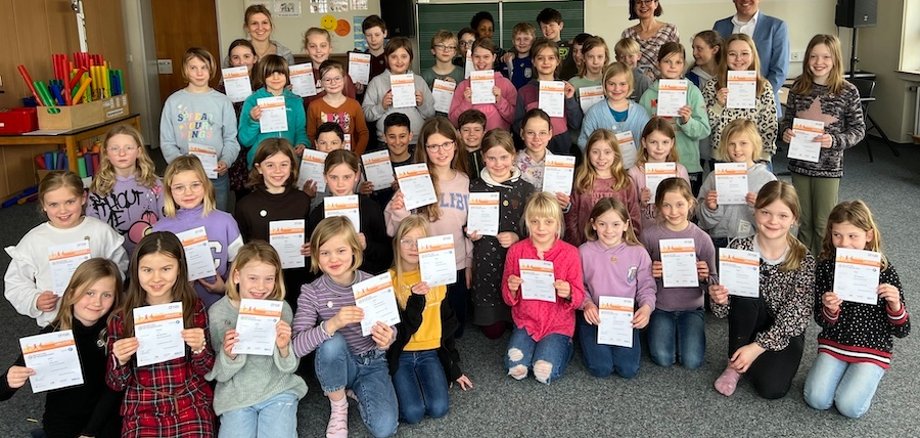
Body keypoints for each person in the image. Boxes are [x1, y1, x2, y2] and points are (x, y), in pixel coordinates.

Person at [291, 217, 398, 438]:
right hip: (337, 362)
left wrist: (388, 338)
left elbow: (392, 327)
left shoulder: (372, 283)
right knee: (332, 341)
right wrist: (332, 324)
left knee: (385, 429)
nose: (333, 258)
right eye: (325, 252)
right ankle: (339, 405)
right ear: (316, 257)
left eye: (341, 250)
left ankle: (354, 389)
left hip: (372, 361)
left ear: (354, 250)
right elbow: (296, 348)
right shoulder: (312, 291)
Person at [803, 200, 910, 419]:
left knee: (849, 407)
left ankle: (870, 373)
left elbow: (903, 330)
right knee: (816, 399)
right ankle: (847, 373)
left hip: (872, 348)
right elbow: (820, 321)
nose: (844, 243)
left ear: (868, 235)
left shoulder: (884, 270)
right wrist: (829, 308)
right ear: (830, 234)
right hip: (836, 342)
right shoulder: (825, 267)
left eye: (853, 236)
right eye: (837, 235)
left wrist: (895, 305)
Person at [709, 181, 815, 399]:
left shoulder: (804, 259)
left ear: (794, 219)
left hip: (783, 329)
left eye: (783, 216)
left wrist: (756, 348)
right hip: (748, 319)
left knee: (771, 389)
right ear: (755, 212)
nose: (773, 221)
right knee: (748, 296)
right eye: (765, 212)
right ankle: (734, 365)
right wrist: (719, 300)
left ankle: (748, 356)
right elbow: (724, 312)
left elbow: (795, 318)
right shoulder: (738, 248)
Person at [106, 232, 215, 437]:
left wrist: (200, 348)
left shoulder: (193, 307)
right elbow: (115, 383)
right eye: (147, 270)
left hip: (188, 401)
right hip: (142, 405)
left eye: (166, 269)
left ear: (179, 269)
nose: (156, 278)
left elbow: (206, 369)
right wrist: (119, 360)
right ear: (136, 271)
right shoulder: (121, 317)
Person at [1, 258, 123, 438]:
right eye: (89, 292)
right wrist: (8, 381)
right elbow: (2, 392)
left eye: (106, 295)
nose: (97, 302)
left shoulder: (115, 334)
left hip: (104, 422)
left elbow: (113, 391)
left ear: (115, 299)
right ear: (72, 293)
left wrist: (89, 432)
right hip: (62, 423)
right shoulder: (51, 335)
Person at [206, 241, 307, 437]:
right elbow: (220, 375)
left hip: (277, 389)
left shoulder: (281, 309)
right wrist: (229, 355)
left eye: (269, 279)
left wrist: (284, 348)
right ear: (237, 276)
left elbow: (290, 367)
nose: (261, 287)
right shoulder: (218, 313)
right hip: (236, 395)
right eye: (252, 278)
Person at [4, 171, 128, 327]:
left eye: (70, 202)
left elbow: (119, 267)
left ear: (83, 198)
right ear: (43, 204)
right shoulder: (34, 240)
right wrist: (35, 299)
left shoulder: (100, 231)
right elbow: (15, 282)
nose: (63, 210)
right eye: (53, 204)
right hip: (56, 319)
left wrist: (106, 292)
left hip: (99, 316)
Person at [385, 117, 472, 337]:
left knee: (456, 329)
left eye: (446, 144)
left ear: (455, 144)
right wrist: (398, 211)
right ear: (424, 149)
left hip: (456, 264)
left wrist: (470, 263)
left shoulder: (465, 181)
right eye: (433, 146)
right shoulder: (414, 182)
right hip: (422, 266)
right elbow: (393, 231)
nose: (441, 152)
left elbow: (471, 229)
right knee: (425, 327)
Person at [781, 34, 865, 256]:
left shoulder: (847, 91)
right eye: (814, 56)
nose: (819, 62)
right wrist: (785, 133)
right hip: (799, 164)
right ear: (807, 59)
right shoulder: (799, 87)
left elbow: (858, 130)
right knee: (803, 222)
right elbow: (787, 121)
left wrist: (835, 140)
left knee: (822, 224)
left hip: (828, 167)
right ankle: (803, 267)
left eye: (826, 57)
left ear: (835, 59)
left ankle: (823, 269)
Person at [387, 215, 472, 424]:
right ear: (396, 244)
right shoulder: (389, 280)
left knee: (439, 408)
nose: (413, 247)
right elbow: (399, 334)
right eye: (406, 240)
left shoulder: (436, 277)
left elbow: (448, 324)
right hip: (402, 353)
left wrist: (453, 367)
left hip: (430, 352)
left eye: (420, 241)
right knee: (413, 413)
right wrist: (416, 301)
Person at [502, 192, 585, 384]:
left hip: (558, 324)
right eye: (535, 221)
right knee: (516, 367)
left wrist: (569, 292)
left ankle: (566, 345)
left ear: (558, 223)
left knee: (543, 371)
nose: (541, 228)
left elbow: (579, 297)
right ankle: (538, 347)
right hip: (526, 321)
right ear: (527, 223)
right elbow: (507, 298)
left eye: (548, 222)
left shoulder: (570, 253)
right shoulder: (516, 251)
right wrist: (512, 287)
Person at [641, 177, 717, 370]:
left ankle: (681, 331)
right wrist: (651, 272)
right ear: (658, 206)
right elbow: (638, 277)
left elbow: (714, 283)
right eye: (666, 205)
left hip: (692, 308)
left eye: (680, 204)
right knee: (663, 358)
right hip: (661, 307)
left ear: (691, 203)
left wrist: (705, 277)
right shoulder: (649, 235)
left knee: (691, 361)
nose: (673, 212)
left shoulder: (702, 239)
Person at [577, 198, 655, 379]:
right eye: (602, 224)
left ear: (626, 225)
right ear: (593, 225)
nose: (609, 230)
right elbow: (578, 286)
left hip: (624, 319)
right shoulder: (583, 252)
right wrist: (587, 304)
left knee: (628, 369)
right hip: (594, 316)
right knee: (601, 368)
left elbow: (647, 286)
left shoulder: (638, 252)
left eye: (615, 224)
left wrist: (646, 308)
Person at [468, 129, 535, 339]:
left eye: (504, 157)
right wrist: (470, 234)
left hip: (516, 260)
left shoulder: (526, 189)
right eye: (491, 158)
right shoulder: (474, 187)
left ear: (513, 155)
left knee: (520, 321)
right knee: (493, 331)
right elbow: (465, 221)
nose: (498, 164)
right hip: (486, 260)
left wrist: (517, 237)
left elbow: (535, 227)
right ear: (483, 157)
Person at [152, 156, 243, 308]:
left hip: (220, 305)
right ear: (169, 191)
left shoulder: (225, 221)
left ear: (206, 186)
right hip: (178, 308)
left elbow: (241, 264)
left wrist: (226, 287)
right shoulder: (160, 229)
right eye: (179, 187)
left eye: (195, 185)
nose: (188, 193)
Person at [234, 138, 312, 311]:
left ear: (292, 167)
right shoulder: (246, 205)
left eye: (284, 164)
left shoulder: (302, 200)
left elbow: (310, 237)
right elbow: (242, 249)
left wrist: (310, 247)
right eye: (270, 165)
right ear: (259, 168)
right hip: (260, 285)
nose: (277, 171)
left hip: (296, 279)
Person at [160, 47, 240, 212]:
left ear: (211, 69)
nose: (199, 72)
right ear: (185, 70)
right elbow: (167, 141)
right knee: (188, 219)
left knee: (218, 216)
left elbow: (231, 139)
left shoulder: (223, 101)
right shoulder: (173, 102)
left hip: (215, 175)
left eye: (204, 67)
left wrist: (226, 160)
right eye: (193, 68)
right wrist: (181, 165)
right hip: (184, 176)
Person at [639, 41, 711, 193]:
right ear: (658, 64)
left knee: (685, 210)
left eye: (678, 62)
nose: (672, 66)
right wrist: (656, 125)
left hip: (687, 164)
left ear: (683, 65)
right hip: (656, 165)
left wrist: (687, 121)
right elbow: (641, 132)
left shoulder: (692, 92)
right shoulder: (649, 95)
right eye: (667, 61)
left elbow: (704, 130)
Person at [308, 150, 392, 276]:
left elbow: (387, 254)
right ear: (325, 177)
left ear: (357, 175)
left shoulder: (371, 208)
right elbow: (313, 267)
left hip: (366, 280)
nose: (340, 184)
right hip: (332, 285)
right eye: (333, 177)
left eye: (347, 177)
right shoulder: (317, 214)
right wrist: (311, 252)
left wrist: (366, 246)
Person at [698, 119, 777, 248]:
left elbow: (774, 222)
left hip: (751, 241)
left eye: (743, 143)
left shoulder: (767, 179)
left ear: (754, 145)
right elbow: (703, 221)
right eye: (731, 144)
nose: (737, 149)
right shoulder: (714, 176)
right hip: (718, 240)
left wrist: (760, 208)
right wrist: (710, 208)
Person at [701, 34, 777, 167]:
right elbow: (704, 126)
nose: (738, 59)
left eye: (744, 53)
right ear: (725, 56)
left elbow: (770, 124)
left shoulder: (763, 86)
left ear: (753, 56)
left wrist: (764, 155)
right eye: (732, 54)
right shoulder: (712, 86)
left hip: (755, 158)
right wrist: (718, 105)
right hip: (722, 155)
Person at [87, 124, 164, 255]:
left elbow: (165, 220)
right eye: (115, 148)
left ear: (139, 151)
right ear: (106, 153)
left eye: (128, 148)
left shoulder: (154, 183)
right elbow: (93, 228)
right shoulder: (99, 188)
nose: (122, 153)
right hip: (114, 257)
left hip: (150, 254)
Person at [566, 129, 641, 248]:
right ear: (588, 153)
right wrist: (577, 246)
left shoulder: (625, 182)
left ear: (615, 154)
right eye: (595, 152)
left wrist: (627, 245)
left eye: (607, 152)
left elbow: (634, 217)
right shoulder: (581, 181)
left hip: (619, 248)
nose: (601, 157)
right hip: (587, 248)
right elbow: (572, 218)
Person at [713, 0, 789, 117]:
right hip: (725, 111)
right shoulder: (720, 26)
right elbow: (716, 65)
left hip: (763, 111)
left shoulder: (776, 26)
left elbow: (779, 71)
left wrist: (757, 97)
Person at [513, 39, 582, 156]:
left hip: (561, 144)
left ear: (558, 61)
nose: (546, 62)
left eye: (551, 58)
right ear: (533, 61)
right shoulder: (524, 91)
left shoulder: (566, 89)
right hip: (534, 146)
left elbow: (576, 123)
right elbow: (516, 125)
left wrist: (569, 99)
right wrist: (533, 127)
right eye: (540, 58)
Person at [239, 55, 309, 168]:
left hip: (288, 162)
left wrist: (302, 143)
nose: (276, 78)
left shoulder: (295, 101)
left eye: (280, 73)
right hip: (260, 163)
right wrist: (253, 121)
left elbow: (300, 130)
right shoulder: (252, 101)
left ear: (287, 75)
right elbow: (245, 140)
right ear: (263, 76)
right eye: (270, 74)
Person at [363, 37, 436, 146]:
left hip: (416, 140)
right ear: (387, 58)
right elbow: (366, 115)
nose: (399, 61)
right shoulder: (376, 82)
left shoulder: (419, 81)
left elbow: (431, 114)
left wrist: (422, 104)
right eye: (394, 57)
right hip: (386, 141)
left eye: (404, 56)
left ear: (410, 58)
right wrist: (381, 106)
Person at [578, 62, 651, 168]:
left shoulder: (640, 113)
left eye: (622, 84)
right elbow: (584, 141)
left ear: (630, 85)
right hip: (602, 171)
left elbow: (648, 141)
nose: (617, 89)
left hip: (634, 170)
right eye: (611, 84)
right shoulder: (594, 112)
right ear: (604, 84)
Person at [627, 117, 691, 231]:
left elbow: (689, 207)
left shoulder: (680, 171)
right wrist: (641, 202)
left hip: (673, 234)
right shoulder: (634, 173)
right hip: (643, 233)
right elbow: (627, 210)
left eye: (665, 142)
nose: (659, 147)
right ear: (644, 143)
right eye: (653, 142)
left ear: (672, 143)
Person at [448, 38, 518, 131]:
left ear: (493, 57)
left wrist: (500, 101)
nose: (481, 61)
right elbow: (453, 121)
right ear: (471, 58)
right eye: (477, 57)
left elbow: (515, 119)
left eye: (486, 57)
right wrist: (466, 103)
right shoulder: (463, 86)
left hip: (498, 142)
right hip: (471, 141)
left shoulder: (505, 84)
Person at [222, 39, 262, 200]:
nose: (241, 62)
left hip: (257, 143)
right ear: (230, 61)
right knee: (243, 196)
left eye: (246, 56)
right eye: (236, 57)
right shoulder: (221, 89)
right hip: (235, 146)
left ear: (255, 58)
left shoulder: (263, 87)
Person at [308, 60, 371, 156]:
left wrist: (356, 155)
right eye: (328, 80)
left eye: (337, 78)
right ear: (321, 82)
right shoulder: (314, 106)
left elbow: (363, 133)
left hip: (349, 156)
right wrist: (318, 154)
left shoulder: (354, 105)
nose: (333, 83)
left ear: (344, 79)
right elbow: (311, 135)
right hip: (323, 156)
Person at [620, 0, 680, 80]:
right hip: (636, 86)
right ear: (633, 7)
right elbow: (624, 66)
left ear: (656, 4)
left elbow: (676, 63)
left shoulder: (670, 30)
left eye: (647, 1)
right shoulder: (627, 34)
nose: (643, 5)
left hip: (663, 86)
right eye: (638, 2)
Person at [303, 27, 358, 109]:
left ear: (330, 48)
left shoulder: (342, 75)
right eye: (312, 46)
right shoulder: (302, 76)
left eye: (323, 46)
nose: (318, 50)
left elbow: (351, 105)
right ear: (306, 50)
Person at [368, 113, 415, 208]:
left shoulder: (418, 163)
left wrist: (403, 189)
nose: (397, 142)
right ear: (384, 137)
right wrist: (364, 192)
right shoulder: (373, 166)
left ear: (410, 136)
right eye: (392, 137)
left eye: (402, 136)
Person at [359, 15, 389, 96]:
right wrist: (357, 91)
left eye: (377, 35)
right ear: (364, 36)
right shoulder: (360, 61)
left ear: (385, 33)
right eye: (369, 35)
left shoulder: (393, 59)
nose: (373, 39)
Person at [536, 8, 573, 75]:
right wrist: (513, 52)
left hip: (566, 83)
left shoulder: (571, 46)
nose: (548, 29)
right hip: (544, 84)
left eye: (551, 25)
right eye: (544, 27)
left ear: (560, 26)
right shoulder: (537, 47)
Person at [502, 22, 536, 89]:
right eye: (518, 39)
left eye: (526, 39)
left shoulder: (535, 62)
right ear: (513, 41)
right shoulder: (507, 61)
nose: (522, 42)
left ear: (533, 41)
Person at [457, 109, 487, 182]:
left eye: (477, 130)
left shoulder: (489, 154)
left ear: (484, 133)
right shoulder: (454, 157)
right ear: (459, 133)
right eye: (466, 130)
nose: (471, 134)